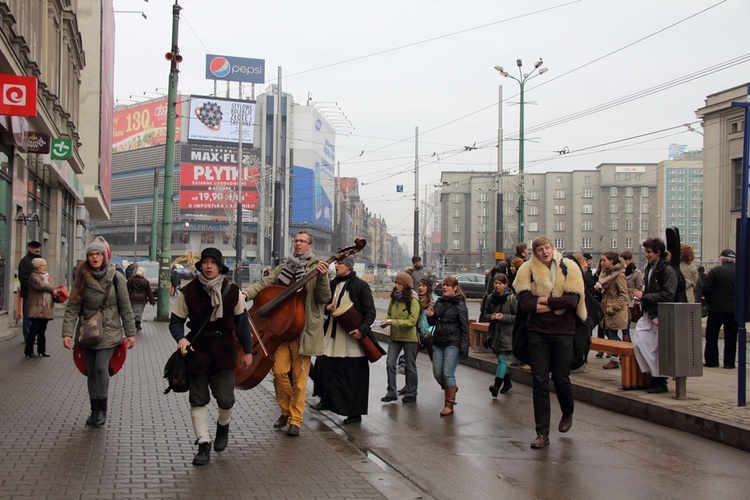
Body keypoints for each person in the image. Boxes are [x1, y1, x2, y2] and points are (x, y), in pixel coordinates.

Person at [169, 247, 253, 465]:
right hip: (197, 350)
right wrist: (181, 338)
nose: (208, 266)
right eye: (205, 262)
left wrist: (248, 351)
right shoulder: (189, 291)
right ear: (200, 266)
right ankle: (203, 444)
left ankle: (223, 426)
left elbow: (243, 324)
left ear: (219, 266)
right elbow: (176, 321)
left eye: (212, 262)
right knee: (198, 399)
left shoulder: (233, 291)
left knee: (226, 399)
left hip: (224, 350)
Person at [242, 230, 331, 437]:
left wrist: (324, 277)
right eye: (296, 241)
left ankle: (295, 420)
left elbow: (323, 298)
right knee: (280, 374)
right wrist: (246, 293)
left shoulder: (317, 268)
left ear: (310, 245)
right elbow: (266, 283)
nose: (298, 244)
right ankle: (285, 410)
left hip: (303, 331)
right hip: (280, 331)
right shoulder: (285, 267)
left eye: (302, 241)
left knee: (300, 380)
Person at [514, 236, 586, 449]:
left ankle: (568, 410)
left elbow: (573, 301)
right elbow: (526, 304)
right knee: (539, 380)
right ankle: (542, 433)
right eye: (539, 249)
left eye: (547, 248)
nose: (544, 252)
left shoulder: (569, 267)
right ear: (534, 253)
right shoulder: (526, 270)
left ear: (553, 248)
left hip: (564, 332)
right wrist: (556, 303)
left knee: (561, 378)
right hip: (537, 332)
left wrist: (542, 301)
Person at [62, 236, 136, 428]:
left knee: (102, 368)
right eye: (91, 254)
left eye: (98, 254)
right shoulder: (81, 276)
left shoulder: (116, 277)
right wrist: (67, 333)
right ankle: (94, 411)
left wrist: (130, 333)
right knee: (91, 371)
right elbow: (72, 307)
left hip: (110, 331)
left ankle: (102, 410)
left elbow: (125, 307)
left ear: (104, 256)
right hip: (87, 331)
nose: (94, 257)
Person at [316, 255, 377, 425]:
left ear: (349, 266)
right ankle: (327, 401)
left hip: (352, 339)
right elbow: (323, 305)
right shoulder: (332, 284)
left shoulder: (360, 286)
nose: (336, 266)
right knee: (327, 369)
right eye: (336, 263)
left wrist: (362, 329)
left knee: (353, 378)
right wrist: (327, 309)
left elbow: (370, 311)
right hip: (332, 336)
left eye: (340, 263)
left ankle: (354, 412)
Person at [632, 237, 678, 394]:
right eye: (646, 252)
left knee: (656, 348)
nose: (647, 255)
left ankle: (660, 380)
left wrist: (644, 296)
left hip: (660, 314)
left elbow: (668, 294)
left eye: (649, 252)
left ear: (658, 252)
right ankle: (654, 376)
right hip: (650, 312)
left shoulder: (666, 270)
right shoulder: (652, 268)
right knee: (640, 342)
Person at [426, 275, 469, 416]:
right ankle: (451, 388)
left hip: (453, 342)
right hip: (439, 341)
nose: (444, 287)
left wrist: (464, 347)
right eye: (443, 285)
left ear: (455, 288)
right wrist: (430, 316)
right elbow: (433, 323)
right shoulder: (439, 302)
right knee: (437, 373)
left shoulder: (460, 305)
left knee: (447, 372)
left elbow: (464, 327)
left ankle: (449, 404)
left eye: (448, 285)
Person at [380, 272, 420, 404]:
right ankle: (391, 391)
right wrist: (385, 322)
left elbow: (412, 321)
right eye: (395, 283)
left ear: (406, 286)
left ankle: (412, 392)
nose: (396, 285)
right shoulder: (394, 299)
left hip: (409, 338)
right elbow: (389, 314)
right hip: (395, 337)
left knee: (410, 366)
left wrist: (393, 322)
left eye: (399, 284)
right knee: (390, 363)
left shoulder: (413, 300)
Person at [480, 274, 516, 397]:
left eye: (500, 283)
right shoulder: (490, 298)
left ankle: (496, 386)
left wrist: (504, 317)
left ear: (505, 285)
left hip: (507, 333)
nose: (497, 285)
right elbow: (484, 315)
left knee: (502, 359)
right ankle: (507, 383)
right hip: (494, 332)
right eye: (495, 283)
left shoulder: (511, 298)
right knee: (501, 360)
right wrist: (492, 317)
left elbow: (518, 317)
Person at [702, 249, 738, 369]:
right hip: (733, 310)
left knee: (712, 336)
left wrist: (710, 300)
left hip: (716, 309)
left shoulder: (715, 271)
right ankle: (729, 363)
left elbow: (706, 288)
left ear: (722, 259)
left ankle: (712, 361)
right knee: (731, 338)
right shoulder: (740, 271)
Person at [598, 252, 629, 370]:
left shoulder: (619, 275)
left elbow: (623, 294)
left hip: (614, 311)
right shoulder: (608, 274)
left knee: (612, 335)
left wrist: (614, 307)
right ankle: (619, 356)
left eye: (604, 260)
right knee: (609, 333)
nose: (602, 263)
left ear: (611, 261)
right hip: (607, 309)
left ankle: (616, 358)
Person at [26, 258, 58, 358]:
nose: (45, 267)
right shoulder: (34, 276)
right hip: (36, 307)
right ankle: (29, 350)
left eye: (46, 265)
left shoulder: (47, 276)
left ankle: (42, 350)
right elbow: (41, 286)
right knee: (34, 329)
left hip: (46, 308)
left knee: (42, 330)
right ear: (37, 266)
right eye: (43, 265)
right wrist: (53, 289)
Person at [18, 240, 42, 342]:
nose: (37, 249)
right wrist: (35, 285)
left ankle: (34, 335)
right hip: (28, 293)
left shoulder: (40, 260)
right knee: (28, 315)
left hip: (39, 293)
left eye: (38, 248)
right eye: (34, 247)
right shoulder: (25, 261)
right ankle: (28, 336)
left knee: (37, 316)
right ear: (29, 248)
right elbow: (23, 278)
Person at [621, 250, 644, 342]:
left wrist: (635, 297)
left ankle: (627, 349)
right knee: (622, 327)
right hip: (621, 301)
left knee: (626, 327)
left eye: (626, 259)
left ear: (631, 260)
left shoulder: (636, 273)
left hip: (630, 302)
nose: (624, 262)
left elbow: (639, 287)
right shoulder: (620, 271)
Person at [127, 267, 155, 332]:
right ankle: (138, 324)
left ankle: (132, 323)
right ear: (143, 273)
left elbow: (127, 289)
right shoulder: (145, 281)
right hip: (142, 299)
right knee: (139, 312)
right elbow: (149, 292)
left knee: (132, 311)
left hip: (132, 298)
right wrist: (152, 301)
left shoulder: (131, 279)